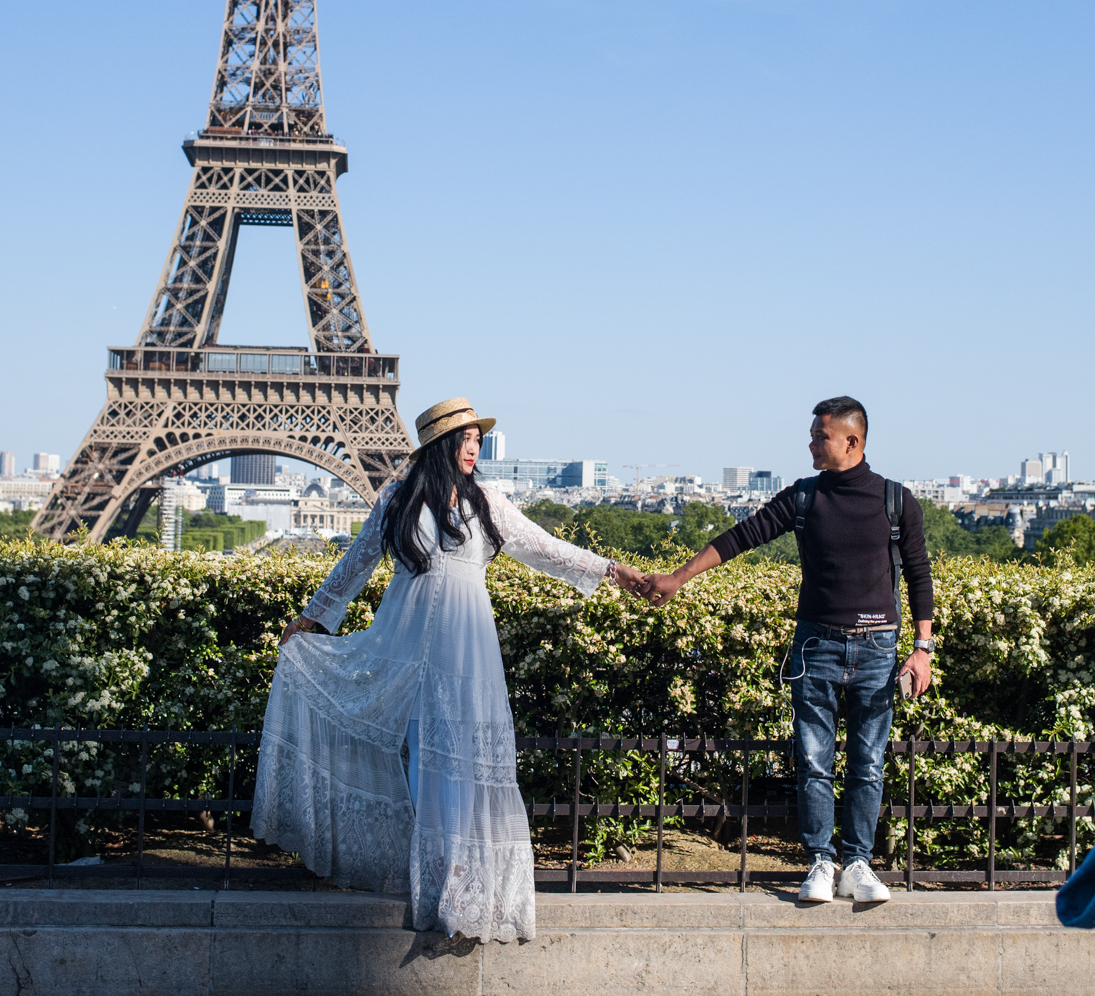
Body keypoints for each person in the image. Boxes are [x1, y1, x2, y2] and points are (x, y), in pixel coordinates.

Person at [252, 398, 647, 943]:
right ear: (440, 445)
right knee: (422, 751)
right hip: (406, 637)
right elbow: (358, 560)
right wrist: (313, 617)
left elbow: (544, 547)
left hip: (466, 643)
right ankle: (431, 875)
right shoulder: (396, 497)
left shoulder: (487, 500)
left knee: (463, 751)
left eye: (477, 438)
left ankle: (461, 881)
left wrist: (612, 569)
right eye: (463, 437)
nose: (473, 446)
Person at [642, 396, 934, 905]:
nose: (811, 443)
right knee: (814, 760)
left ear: (852, 441)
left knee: (868, 763)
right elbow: (742, 536)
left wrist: (922, 647)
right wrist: (680, 577)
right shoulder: (804, 497)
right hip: (816, 647)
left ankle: (857, 862)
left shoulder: (896, 501)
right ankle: (823, 860)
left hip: (877, 649)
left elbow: (918, 573)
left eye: (820, 436)